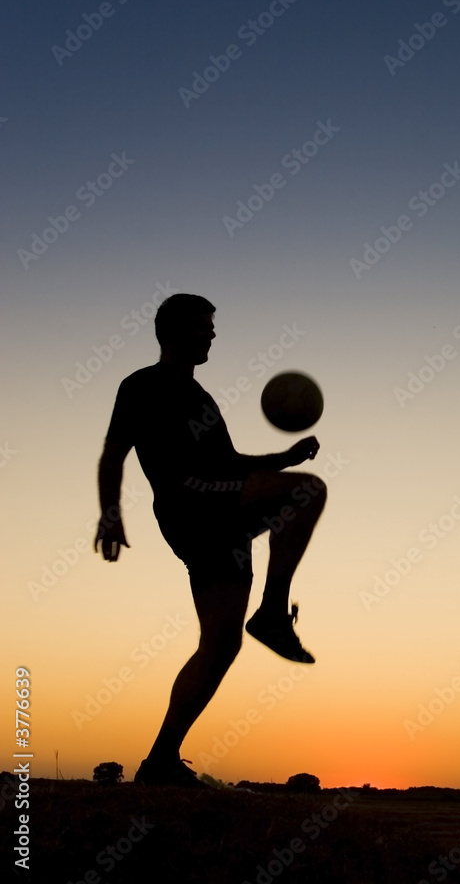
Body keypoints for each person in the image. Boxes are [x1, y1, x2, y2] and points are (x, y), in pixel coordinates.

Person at [94, 293, 327, 787]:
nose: (212, 335)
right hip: (191, 502)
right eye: (204, 327)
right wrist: (110, 514)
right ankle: (272, 612)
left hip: (221, 511)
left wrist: (282, 458)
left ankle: (159, 762)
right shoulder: (141, 385)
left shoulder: (202, 399)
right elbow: (114, 453)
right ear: (174, 332)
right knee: (308, 493)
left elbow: (230, 464)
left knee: (220, 643)